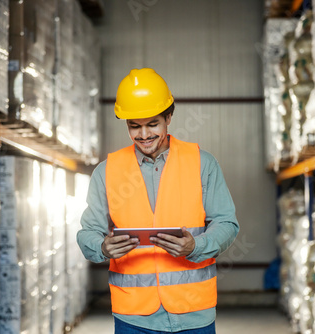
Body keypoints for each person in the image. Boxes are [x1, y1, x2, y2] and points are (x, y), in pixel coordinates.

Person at [77, 68, 239, 333]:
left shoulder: (202, 163)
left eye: (152, 123)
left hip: (193, 313)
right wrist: (102, 247)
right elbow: (87, 234)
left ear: (169, 117)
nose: (144, 135)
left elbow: (227, 223)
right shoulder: (107, 171)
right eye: (134, 126)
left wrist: (197, 246)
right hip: (134, 317)